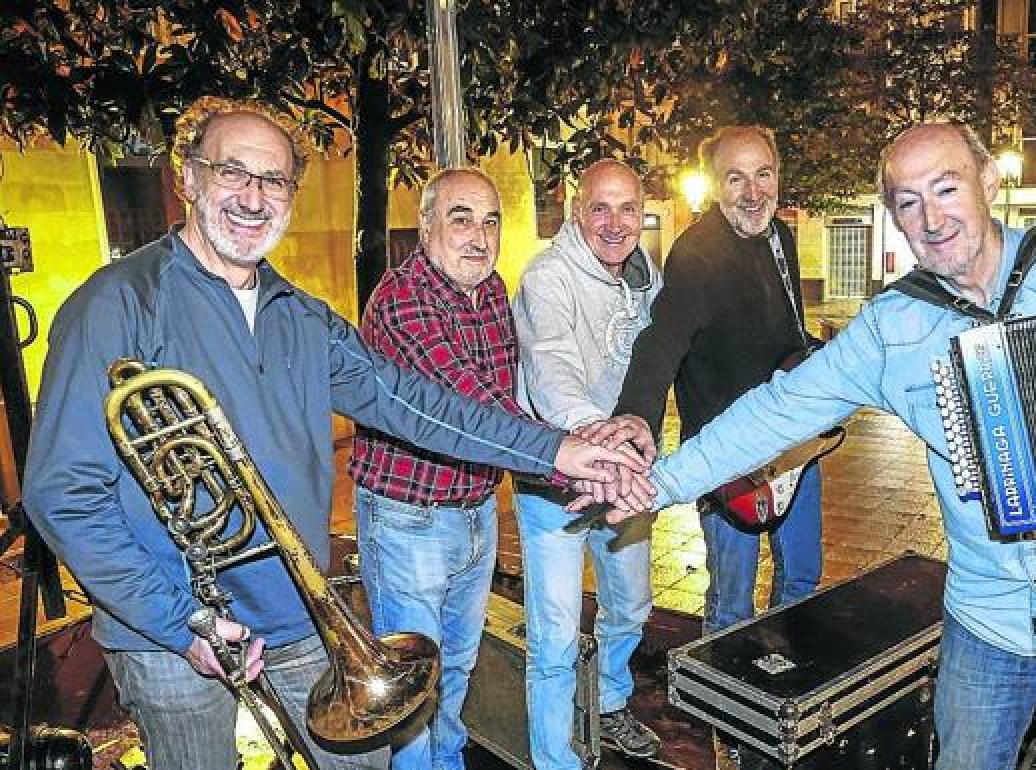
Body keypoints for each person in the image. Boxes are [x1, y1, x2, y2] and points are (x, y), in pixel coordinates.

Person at [21, 96, 648, 770]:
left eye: (274, 181)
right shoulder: (116, 302)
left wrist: (560, 449)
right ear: (188, 177)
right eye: (232, 173)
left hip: (297, 609)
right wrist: (179, 620)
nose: (254, 198)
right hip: (169, 628)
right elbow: (63, 493)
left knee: (365, 761)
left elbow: (415, 403)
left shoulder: (300, 312)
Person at [597, 121, 1036, 770]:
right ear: (894, 217)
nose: (931, 217)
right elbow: (774, 411)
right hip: (992, 610)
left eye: (946, 187)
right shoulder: (894, 327)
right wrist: (659, 484)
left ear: (988, 180)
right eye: (907, 201)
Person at [348, 167, 528, 769]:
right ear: (426, 226)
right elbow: (469, 403)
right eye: (461, 218)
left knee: (457, 670)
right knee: (411, 690)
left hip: (476, 513)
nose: (479, 236)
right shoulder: (402, 299)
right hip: (409, 521)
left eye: (490, 220)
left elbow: (509, 396)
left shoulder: (493, 290)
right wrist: (566, 455)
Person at [613, 125, 824, 634]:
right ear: (714, 186)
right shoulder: (696, 254)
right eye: (736, 179)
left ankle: (785, 693)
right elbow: (661, 340)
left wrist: (814, 357)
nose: (753, 193)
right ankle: (724, 707)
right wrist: (635, 417)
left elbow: (786, 331)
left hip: (793, 444)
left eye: (763, 175)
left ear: (778, 176)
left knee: (802, 581)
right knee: (733, 601)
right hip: (726, 455)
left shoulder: (781, 236)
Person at [511, 160, 663, 765]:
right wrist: (587, 431)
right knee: (552, 638)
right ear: (577, 211)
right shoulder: (546, 278)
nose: (614, 222)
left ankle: (610, 703)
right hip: (555, 481)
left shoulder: (647, 279)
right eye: (600, 207)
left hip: (623, 476)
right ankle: (555, 759)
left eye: (627, 208)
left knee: (630, 604)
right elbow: (550, 365)